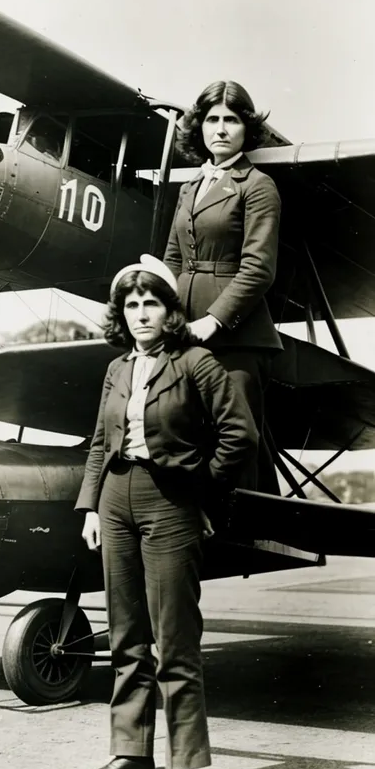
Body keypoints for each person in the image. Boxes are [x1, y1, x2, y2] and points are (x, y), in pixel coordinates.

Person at [75, 254, 258, 769]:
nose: (140, 314)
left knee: (175, 641)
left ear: (170, 309)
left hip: (170, 506)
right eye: (130, 305)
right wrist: (89, 507)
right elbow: (99, 444)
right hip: (115, 502)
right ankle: (131, 751)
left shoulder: (198, 364)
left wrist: (202, 493)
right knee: (126, 634)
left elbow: (240, 435)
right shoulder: (117, 368)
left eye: (150, 302)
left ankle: (181, 767)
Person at [163, 80, 283, 494]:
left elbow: (258, 268)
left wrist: (213, 322)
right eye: (212, 119)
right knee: (184, 431)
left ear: (246, 128)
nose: (220, 129)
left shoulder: (258, 186)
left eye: (231, 120)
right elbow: (173, 260)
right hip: (183, 331)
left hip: (236, 335)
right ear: (198, 127)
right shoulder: (189, 189)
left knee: (235, 439)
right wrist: (164, 316)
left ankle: (244, 540)